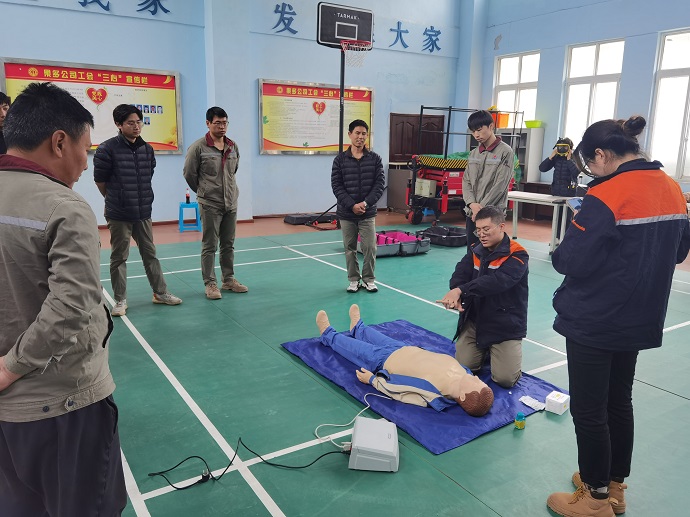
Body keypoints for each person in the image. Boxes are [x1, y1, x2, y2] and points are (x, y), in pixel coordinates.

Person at [546, 116, 690, 517]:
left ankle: (594, 499)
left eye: (590, 164)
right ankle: (613, 485)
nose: (592, 172)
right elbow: (679, 252)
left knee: (589, 409)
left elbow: (570, 260)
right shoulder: (672, 188)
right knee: (618, 401)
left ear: (602, 154)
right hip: (640, 316)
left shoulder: (608, 194)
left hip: (596, 318)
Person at [0, 82, 126, 516]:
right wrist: (10, 367)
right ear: (59, 142)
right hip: (63, 403)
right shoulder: (63, 206)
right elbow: (71, 307)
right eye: (84, 150)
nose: (85, 163)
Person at [316, 304, 494, 416]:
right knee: (373, 335)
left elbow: (399, 390)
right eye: (480, 380)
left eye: (476, 383)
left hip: (382, 360)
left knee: (351, 347)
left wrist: (372, 380)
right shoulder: (465, 373)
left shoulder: (433, 394)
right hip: (403, 349)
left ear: (462, 396)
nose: (476, 377)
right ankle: (358, 328)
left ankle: (328, 335)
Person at [94, 104, 182, 316]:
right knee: (119, 257)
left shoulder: (147, 149)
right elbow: (100, 181)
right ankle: (120, 300)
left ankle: (160, 293)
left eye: (139, 122)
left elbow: (147, 176)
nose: (136, 126)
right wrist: (116, 199)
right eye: (130, 123)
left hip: (143, 212)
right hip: (119, 214)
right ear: (119, 124)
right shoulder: (107, 149)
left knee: (150, 254)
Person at [437, 205, 528, 389]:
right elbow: (460, 273)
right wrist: (456, 291)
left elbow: (497, 282)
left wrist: (461, 290)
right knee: (464, 367)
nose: (481, 235)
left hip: (504, 325)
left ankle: (499, 349)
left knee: (505, 379)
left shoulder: (517, 255)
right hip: (475, 321)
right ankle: (485, 350)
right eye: (478, 230)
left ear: (501, 227)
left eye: (486, 229)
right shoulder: (475, 249)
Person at [184, 106, 248, 300]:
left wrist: (228, 193)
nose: (222, 127)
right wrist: (204, 192)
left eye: (225, 123)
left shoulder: (232, 146)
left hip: (231, 202)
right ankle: (210, 283)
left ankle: (228, 279)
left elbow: (233, 171)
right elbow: (189, 174)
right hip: (210, 204)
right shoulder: (198, 147)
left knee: (228, 244)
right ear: (208, 123)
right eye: (217, 123)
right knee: (210, 245)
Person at [331, 119, 385, 293]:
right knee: (350, 248)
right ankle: (353, 279)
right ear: (350, 134)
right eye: (357, 133)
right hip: (347, 214)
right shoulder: (339, 160)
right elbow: (337, 186)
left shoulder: (375, 159)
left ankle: (369, 279)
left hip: (367, 213)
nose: (360, 137)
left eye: (364, 134)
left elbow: (379, 185)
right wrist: (351, 205)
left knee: (370, 247)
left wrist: (365, 203)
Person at [462, 110, 515, 255]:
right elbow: (466, 180)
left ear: (491, 126)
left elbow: (500, 185)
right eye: (473, 131)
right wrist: (472, 204)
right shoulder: (474, 153)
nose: (476, 135)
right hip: (472, 213)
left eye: (479, 130)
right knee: (472, 253)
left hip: (492, 215)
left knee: (490, 254)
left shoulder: (506, 152)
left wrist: (480, 210)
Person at [539, 137, 580, 236]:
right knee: (557, 218)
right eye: (559, 147)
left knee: (567, 219)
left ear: (570, 148)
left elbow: (576, 172)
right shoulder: (556, 158)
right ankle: (556, 239)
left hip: (569, 194)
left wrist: (569, 159)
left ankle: (565, 239)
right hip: (556, 192)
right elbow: (542, 168)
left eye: (564, 147)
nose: (562, 149)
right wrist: (551, 157)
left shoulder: (575, 157)